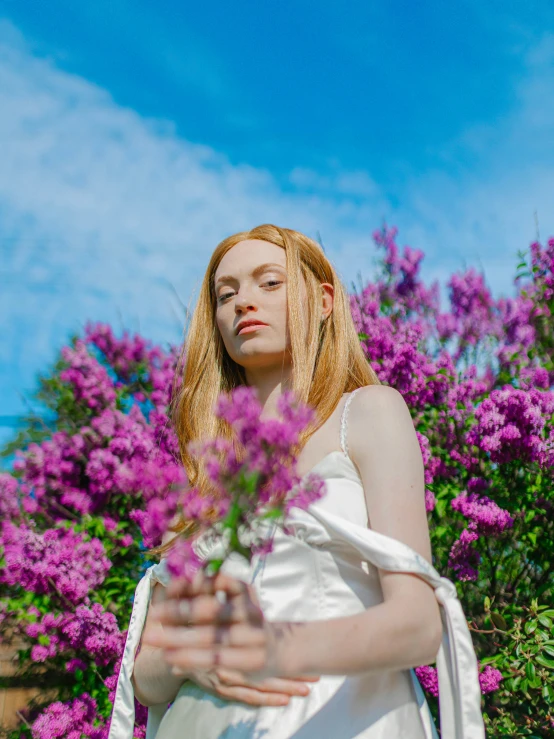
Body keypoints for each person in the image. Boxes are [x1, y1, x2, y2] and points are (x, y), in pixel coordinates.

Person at [109, 224, 485, 739]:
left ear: (323, 300)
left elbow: (418, 625)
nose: (244, 302)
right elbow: (147, 677)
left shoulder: (369, 413)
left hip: (341, 718)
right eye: (226, 293)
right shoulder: (206, 470)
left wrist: (274, 650)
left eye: (269, 283)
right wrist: (193, 659)